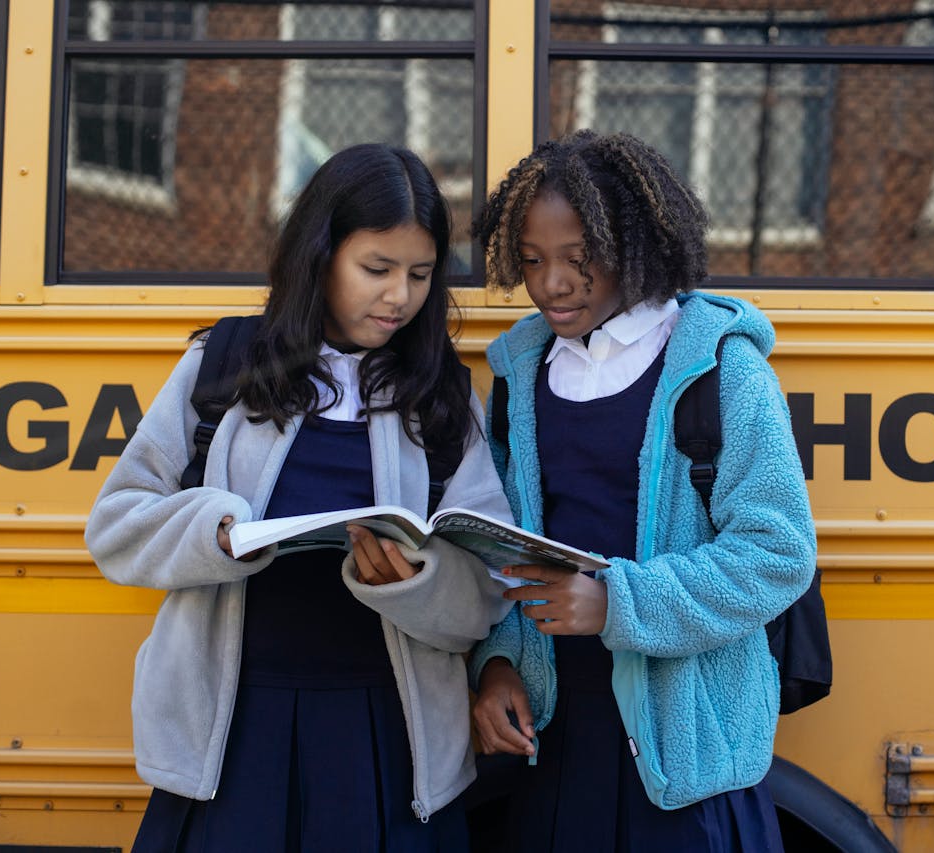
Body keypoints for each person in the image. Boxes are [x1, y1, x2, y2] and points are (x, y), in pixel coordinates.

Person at [85, 144, 512, 852]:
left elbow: (488, 588)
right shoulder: (222, 366)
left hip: (389, 738)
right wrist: (216, 534)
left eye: (420, 274)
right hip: (231, 732)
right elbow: (117, 525)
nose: (398, 296)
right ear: (319, 256)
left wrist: (418, 581)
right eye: (376, 269)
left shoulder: (441, 397)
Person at [468, 129, 816, 852]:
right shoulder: (520, 378)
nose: (551, 283)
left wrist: (616, 603)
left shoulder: (722, 371)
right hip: (557, 739)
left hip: (681, 753)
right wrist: (498, 662)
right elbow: (501, 548)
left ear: (636, 246)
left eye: (577, 259)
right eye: (531, 260)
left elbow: (777, 552)